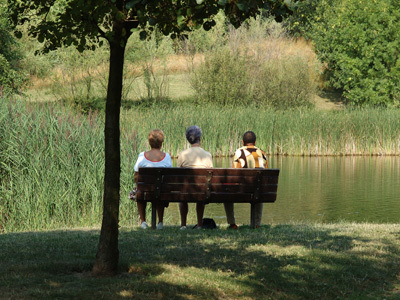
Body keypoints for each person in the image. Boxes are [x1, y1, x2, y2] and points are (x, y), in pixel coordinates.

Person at [224, 131, 268, 229]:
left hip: (242, 191)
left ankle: (232, 224)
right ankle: (257, 224)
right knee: (259, 188)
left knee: (226, 196)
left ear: (242, 142)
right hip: (257, 191)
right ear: (255, 142)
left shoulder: (239, 152)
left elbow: (235, 173)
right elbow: (266, 173)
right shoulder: (262, 153)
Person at [133, 129, 172, 230]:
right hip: (161, 192)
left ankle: (143, 221)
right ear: (161, 143)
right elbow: (169, 177)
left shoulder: (142, 156)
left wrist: (138, 185)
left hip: (145, 191)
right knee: (160, 190)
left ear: (149, 143)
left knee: (139, 190)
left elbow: (136, 175)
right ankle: (160, 222)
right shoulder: (166, 157)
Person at [177, 125, 213, 229]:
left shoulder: (182, 154)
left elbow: (178, 174)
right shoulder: (207, 155)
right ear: (200, 139)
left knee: (183, 195)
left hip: (186, 190)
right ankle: (200, 224)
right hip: (201, 190)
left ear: (188, 140)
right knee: (201, 192)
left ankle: (183, 225)